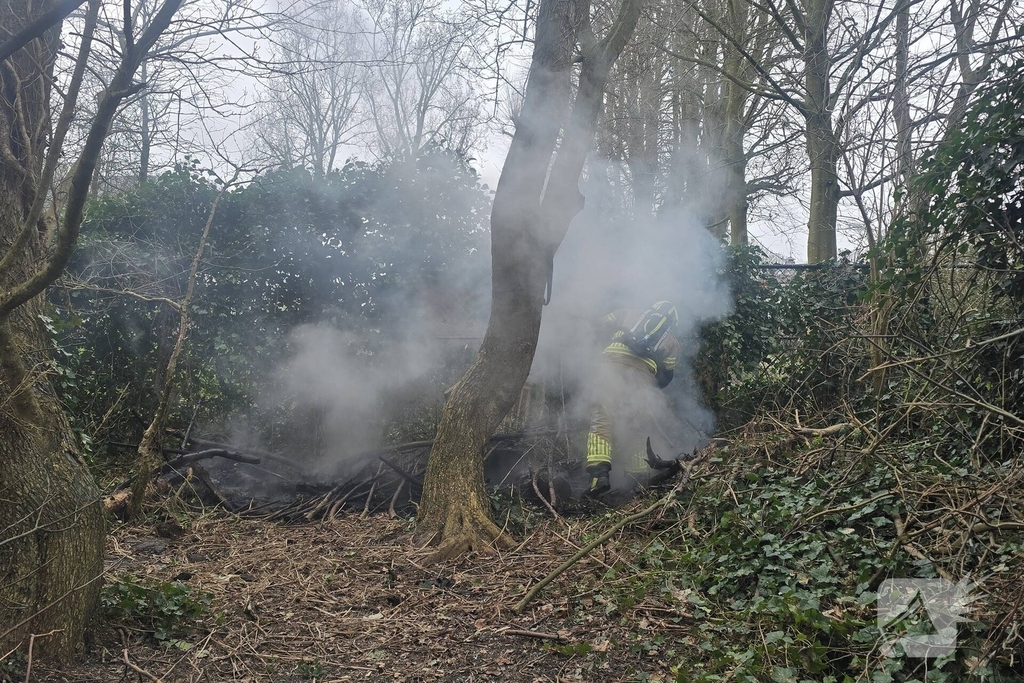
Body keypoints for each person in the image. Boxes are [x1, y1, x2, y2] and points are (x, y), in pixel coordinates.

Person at [585, 301, 681, 496]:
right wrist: (648, 387)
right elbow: (667, 377)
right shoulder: (672, 341)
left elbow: (598, 325)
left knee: (602, 418)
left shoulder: (629, 312)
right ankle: (635, 479)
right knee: (636, 426)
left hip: (612, 364)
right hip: (643, 376)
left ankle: (599, 477)